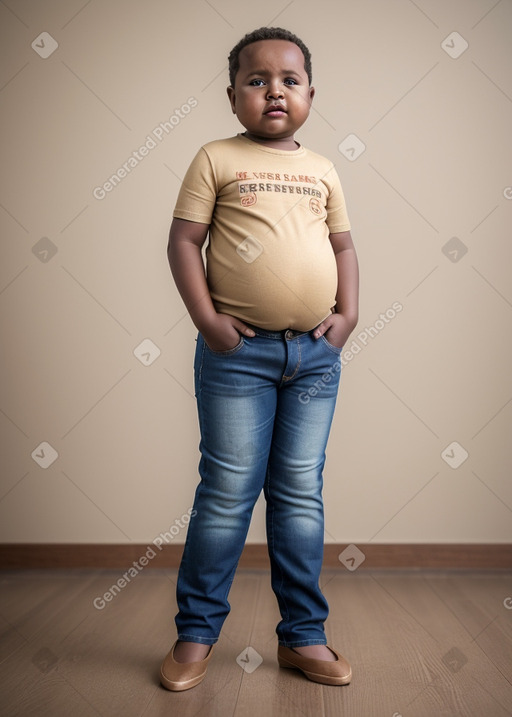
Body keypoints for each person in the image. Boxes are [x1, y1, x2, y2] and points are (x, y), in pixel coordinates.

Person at [160, 26, 359, 692]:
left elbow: (343, 249)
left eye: (290, 79)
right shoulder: (216, 157)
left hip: (313, 358)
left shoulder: (323, 168)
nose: (275, 89)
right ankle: (195, 633)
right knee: (225, 494)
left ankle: (303, 635)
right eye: (257, 79)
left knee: (300, 494)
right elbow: (184, 243)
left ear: (309, 94)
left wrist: (348, 314)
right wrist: (209, 322)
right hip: (237, 359)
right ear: (233, 95)